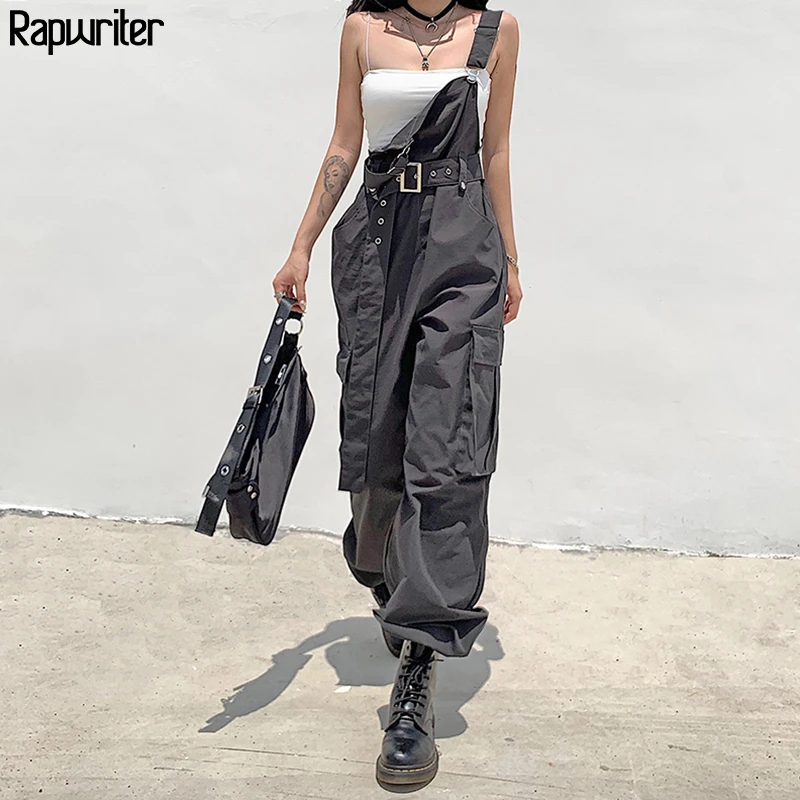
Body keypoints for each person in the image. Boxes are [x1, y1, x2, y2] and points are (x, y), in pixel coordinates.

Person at [272, 0, 521, 788]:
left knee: (444, 451)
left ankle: (419, 660)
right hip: (376, 244)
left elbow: (496, 149)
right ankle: (385, 573)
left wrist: (511, 260)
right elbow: (345, 144)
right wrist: (301, 246)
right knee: (377, 445)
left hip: (462, 249)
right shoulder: (360, 30)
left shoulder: (495, 32)